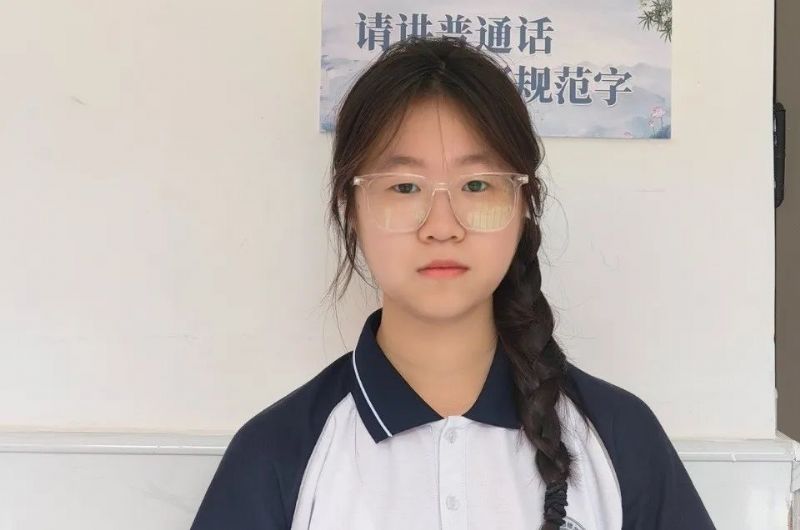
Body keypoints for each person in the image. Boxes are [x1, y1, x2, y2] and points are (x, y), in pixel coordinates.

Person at [190, 36, 716, 530]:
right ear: (351, 211)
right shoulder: (277, 454)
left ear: (524, 205)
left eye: (477, 184)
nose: (442, 226)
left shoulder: (621, 437)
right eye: (404, 187)